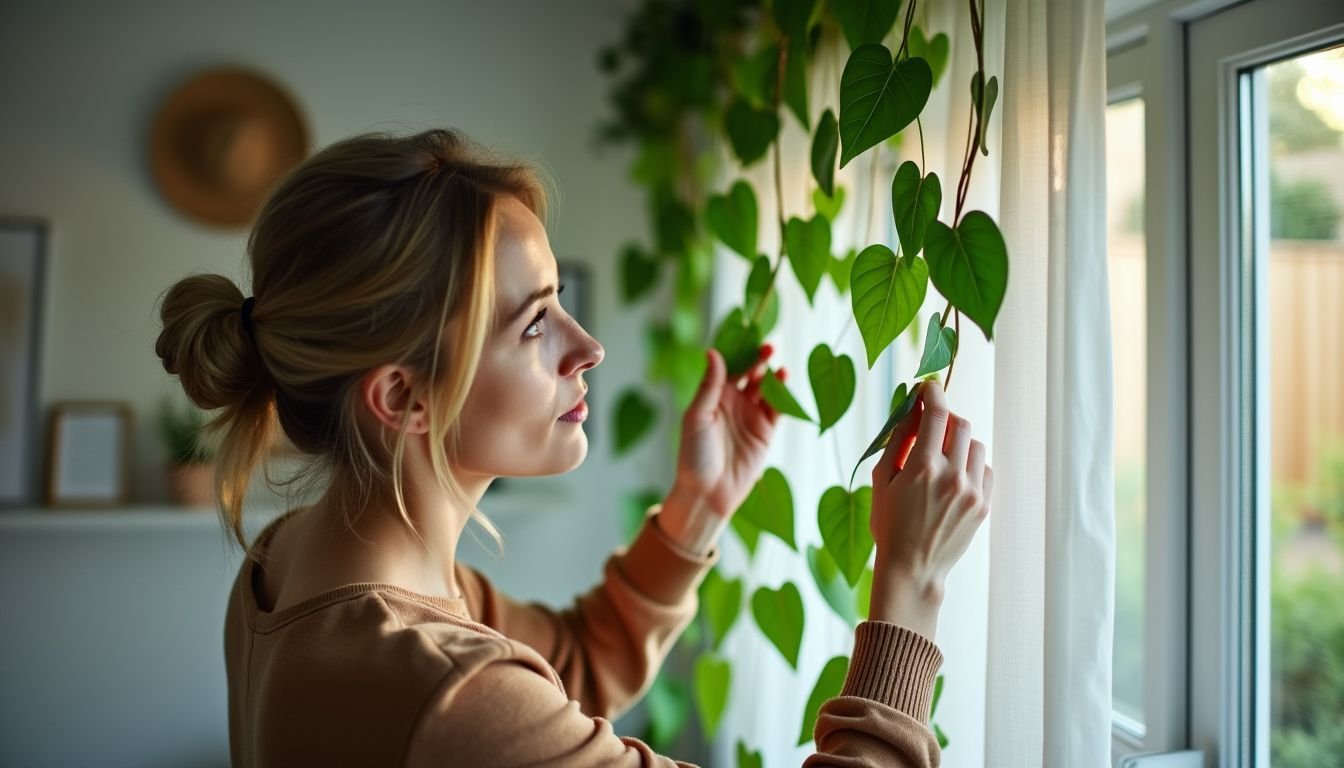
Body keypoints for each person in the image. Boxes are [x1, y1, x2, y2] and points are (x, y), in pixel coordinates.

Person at [155, 128, 991, 767]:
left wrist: (697, 509)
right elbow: (497, 708)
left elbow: (570, 670)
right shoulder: (441, 685)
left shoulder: (292, 564)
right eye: (534, 322)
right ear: (404, 396)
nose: (586, 345)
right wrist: (910, 587)